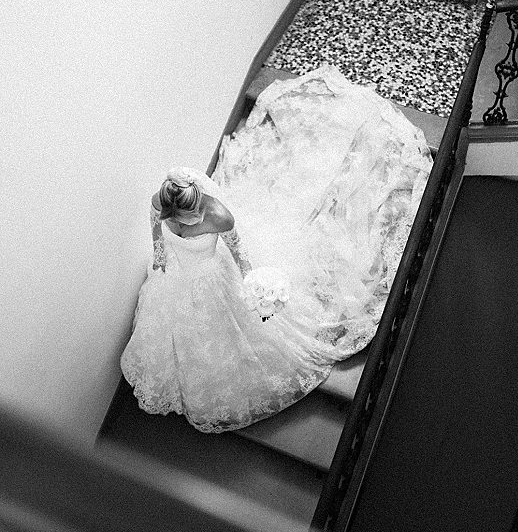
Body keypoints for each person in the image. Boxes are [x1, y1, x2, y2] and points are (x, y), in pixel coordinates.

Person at [121, 65, 432, 432]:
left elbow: (238, 250)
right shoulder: (161, 202)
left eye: (192, 216)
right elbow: (156, 226)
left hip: (215, 274)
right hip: (176, 275)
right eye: (184, 218)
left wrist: (251, 280)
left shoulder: (218, 215)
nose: (188, 223)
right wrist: (159, 253)